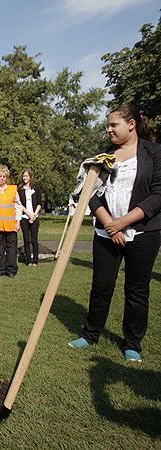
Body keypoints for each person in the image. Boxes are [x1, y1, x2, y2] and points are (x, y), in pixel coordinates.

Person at [68, 105, 161, 363]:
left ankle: (132, 343)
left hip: (143, 233)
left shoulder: (154, 153)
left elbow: (157, 196)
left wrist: (123, 223)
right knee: (101, 285)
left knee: (137, 289)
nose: (109, 130)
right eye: (107, 125)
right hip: (106, 232)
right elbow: (91, 194)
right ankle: (90, 334)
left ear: (131, 124)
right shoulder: (104, 157)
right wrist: (110, 223)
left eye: (114, 125)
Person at [18, 168, 42, 267]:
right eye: (23, 176)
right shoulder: (20, 189)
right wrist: (28, 214)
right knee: (26, 240)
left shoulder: (36, 188)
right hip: (24, 217)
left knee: (34, 240)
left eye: (27, 176)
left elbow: (40, 203)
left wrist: (34, 215)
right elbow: (20, 204)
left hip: (34, 217)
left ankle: (35, 260)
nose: (25, 178)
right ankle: (28, 260)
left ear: (30, 177)